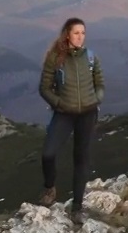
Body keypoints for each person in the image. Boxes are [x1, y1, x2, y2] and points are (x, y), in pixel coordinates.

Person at [37, 17, 103, 221]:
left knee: (81, 159)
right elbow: (44, 87)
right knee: (48, 154)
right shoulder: (55, 58)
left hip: (88, 114)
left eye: (83, 33)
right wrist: (59, 103)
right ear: (67, 34)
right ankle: (49, 188)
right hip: (64, 114)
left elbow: (99, 82)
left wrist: (97, 98)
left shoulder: (91, 58)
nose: (80, 37)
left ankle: (77, 207)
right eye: (76, 33)